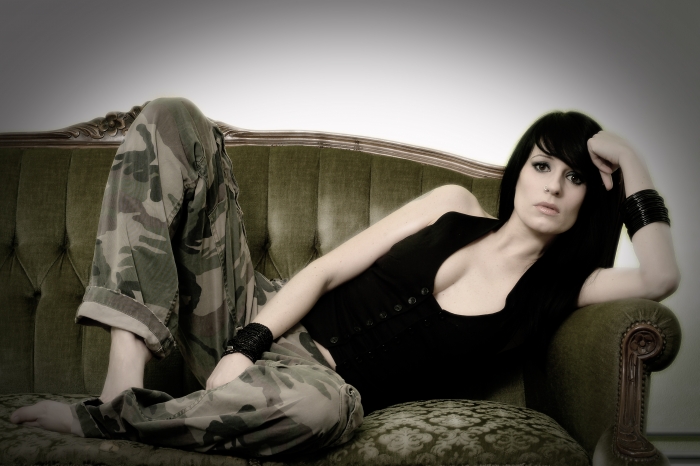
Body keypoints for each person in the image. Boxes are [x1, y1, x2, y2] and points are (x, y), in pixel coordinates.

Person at [10, 98, 679, 458]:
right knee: (174, 117)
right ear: (519, 170)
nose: (554, 186)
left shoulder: (562, 290)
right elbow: (328, 270)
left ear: (592, 196)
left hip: (318, 387)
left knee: (320, 412)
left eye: (575, 177)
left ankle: (123, 422)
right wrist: (245, 344)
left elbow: (660, 275)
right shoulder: (451, 205)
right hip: (258, 317)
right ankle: (119, 393)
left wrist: (627, 155)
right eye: (542, 166)